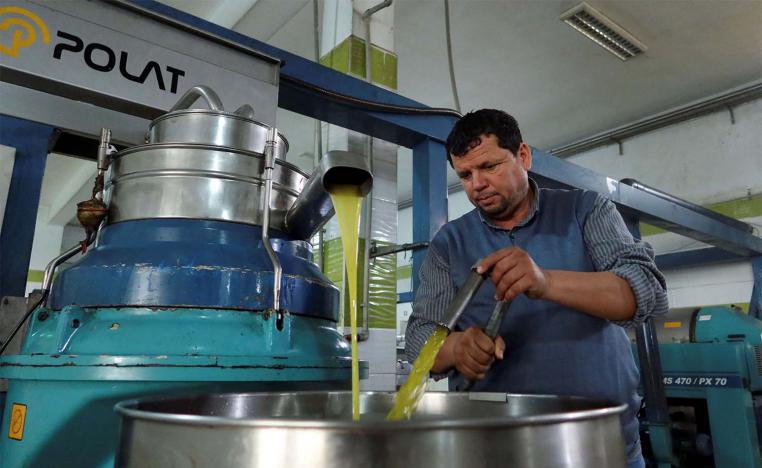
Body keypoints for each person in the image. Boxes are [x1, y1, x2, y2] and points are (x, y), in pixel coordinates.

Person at [404, 109, 668, 468]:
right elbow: (421, 339)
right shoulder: (449, 243)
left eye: (490, 166)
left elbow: (646, 293)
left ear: (523, 156)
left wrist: (546, 282)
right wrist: (457, 347)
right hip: (494, 449)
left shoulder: (586, 210)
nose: (476, 183)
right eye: (465, 174)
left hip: (602, 446)